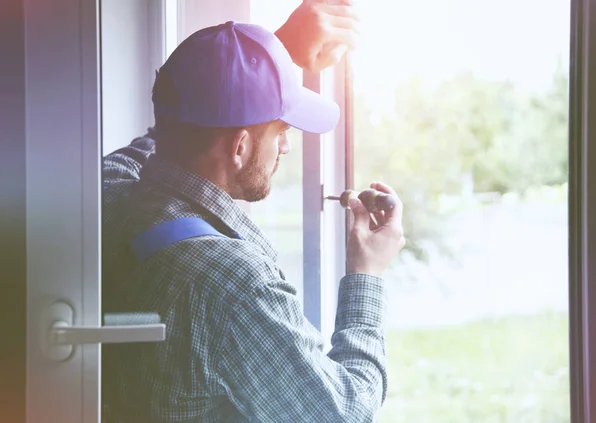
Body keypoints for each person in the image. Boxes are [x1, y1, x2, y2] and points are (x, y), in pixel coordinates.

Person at [102, 6, 405, 423]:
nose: (286, 147)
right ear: (241, 147)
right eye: (280, 132)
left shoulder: (109, 195)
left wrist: (269, 57)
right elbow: (344, 413)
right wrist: (367, 274)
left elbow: (170, 132)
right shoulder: (233, 283)